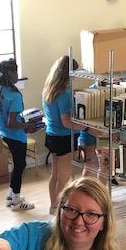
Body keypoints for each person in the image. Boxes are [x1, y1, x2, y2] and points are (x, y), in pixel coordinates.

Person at [43, 56, 88, 215]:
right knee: (64, 177)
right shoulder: (64, 94)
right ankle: (59, 210)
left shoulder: (49, 89)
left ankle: (53, 206)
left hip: (52, 135)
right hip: (64, 138)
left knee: (55, 175)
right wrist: (85, 126)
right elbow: (67, 122)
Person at [0, 58, 40, 211]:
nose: (17, 75)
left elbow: (6, 120)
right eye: (15, 71)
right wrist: (28, 126)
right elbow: (12, 122)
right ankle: (17, 201)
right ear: (9, 73)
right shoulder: (15, 96)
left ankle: (11, 196)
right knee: (20, 166)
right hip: (15, 136)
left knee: (19, 165)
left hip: (4, 134)